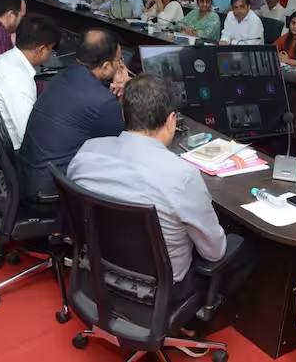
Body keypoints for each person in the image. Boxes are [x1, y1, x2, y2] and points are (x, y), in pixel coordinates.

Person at [68, 73, 227, 285]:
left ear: (123, 113)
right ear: (171, 121)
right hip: (160, 287)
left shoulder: (87, 152)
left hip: (99, 270)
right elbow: (214, 252)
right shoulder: (183, 176)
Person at [18, 29, 129, 197]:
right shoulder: (103, 102)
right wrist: (124, 97)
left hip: (27, 174)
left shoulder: (63, 76)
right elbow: (124, 144)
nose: (120, 65)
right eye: (119, 61)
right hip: (51, 188)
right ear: (106, 66)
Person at [0, 16, 61, 158]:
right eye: (51, 50)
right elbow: (29, 138)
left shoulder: (8, 58)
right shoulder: (18, 78)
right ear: (41, 50)